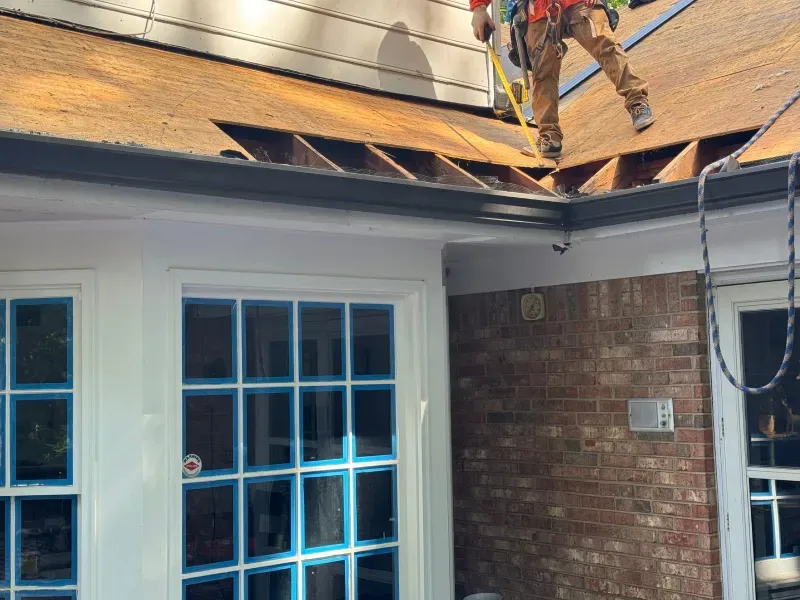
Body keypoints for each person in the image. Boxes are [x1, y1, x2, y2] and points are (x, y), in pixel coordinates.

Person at [470, 0, 655, 159]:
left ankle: (637, 102)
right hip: (538, 9)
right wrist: (479, 8)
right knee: (543, 73)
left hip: (580, 3)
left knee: (606, 48)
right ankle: (549, 136)